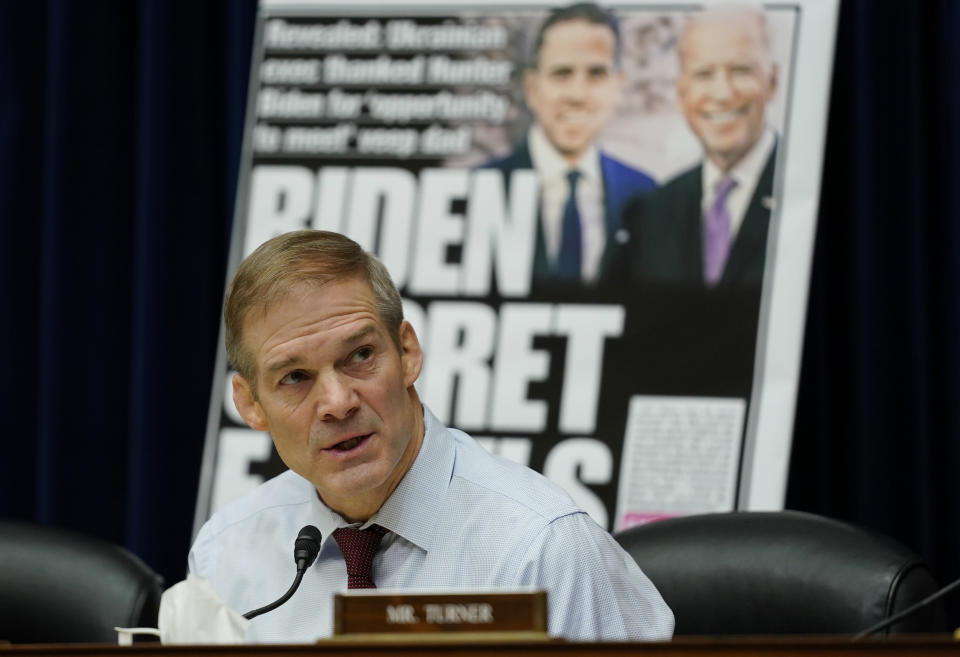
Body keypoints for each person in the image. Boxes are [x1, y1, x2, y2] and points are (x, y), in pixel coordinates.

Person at [189, 230, 674, 643]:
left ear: (407, 353)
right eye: (295, 377)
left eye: (359, 356)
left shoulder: (541, 548)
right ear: (251, 404)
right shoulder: (226, 553)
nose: (338, 402)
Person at [484, 2, 655, 287]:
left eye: (596, 74)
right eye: (562, 73)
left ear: (618, 84)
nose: (578, 94)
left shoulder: (646, 196)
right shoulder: (480, 187)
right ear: (532, 88)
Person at [625, 6, 778, 286]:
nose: (722, 93)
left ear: (772, 81)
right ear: (682, 93)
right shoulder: (654, 212)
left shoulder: (806, 190)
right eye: (704, 74)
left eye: (741, 70)